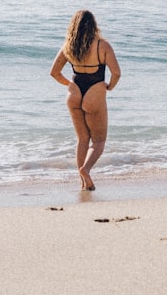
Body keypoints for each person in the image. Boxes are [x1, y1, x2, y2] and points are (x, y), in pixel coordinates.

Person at [50, 10, 121, 191]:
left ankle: (82, 182)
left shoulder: (68, 45)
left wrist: (70, 84)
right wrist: (109, 87)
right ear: (93, 25)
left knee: (82, 139)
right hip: (94, 92)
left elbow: (54, 73)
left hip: (74, 93)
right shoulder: (102, 45)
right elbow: (116, 73)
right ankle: (86, 170)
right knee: (98, 141)